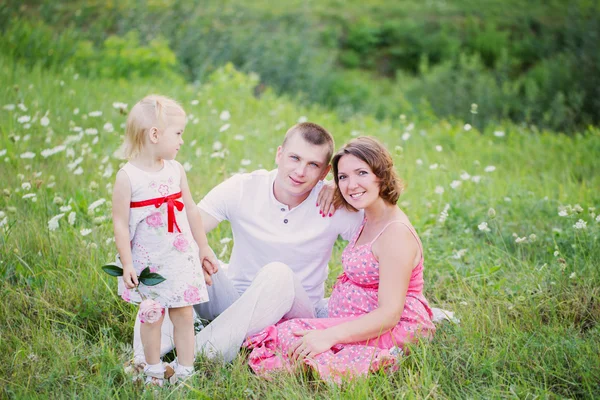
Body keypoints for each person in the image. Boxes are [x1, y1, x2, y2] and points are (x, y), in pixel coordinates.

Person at [132, 122, 364, 364]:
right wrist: (195, 251)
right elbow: (184, 230)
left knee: (278, 273)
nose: (300, 171)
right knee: (182, 252)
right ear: (279, 154)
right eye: (295, 158)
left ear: (325, 172)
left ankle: (193, 356)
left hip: (294, 313)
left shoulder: (332, 202)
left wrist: (342, 187)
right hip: (233, 300)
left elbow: (383, 238)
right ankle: (142, 358)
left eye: (313, 165)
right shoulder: (244, 188)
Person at [244, 136, 436, 383]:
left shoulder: (395, 234)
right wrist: (336, 187)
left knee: (290, 335)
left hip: (391, 326)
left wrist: (330, 336)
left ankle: (369, 359)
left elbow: (389, 314)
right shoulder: (369, 214)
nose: (351, 184)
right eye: (343, 177)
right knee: (284, 328)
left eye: (362, 173)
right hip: (358, 317)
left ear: (381, 174)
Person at [113, 95, 217, 385]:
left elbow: (191, 209)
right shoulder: (128, 177)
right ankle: (153, 368)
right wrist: (127, 263)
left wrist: (203, 247)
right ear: (155, 134)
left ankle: (185, 369)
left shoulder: (175, 170)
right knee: (152, 314)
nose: (182, 141)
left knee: (183, 312)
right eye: (179, 133)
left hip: (179, 256)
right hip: (150, 261)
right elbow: (120, 224)